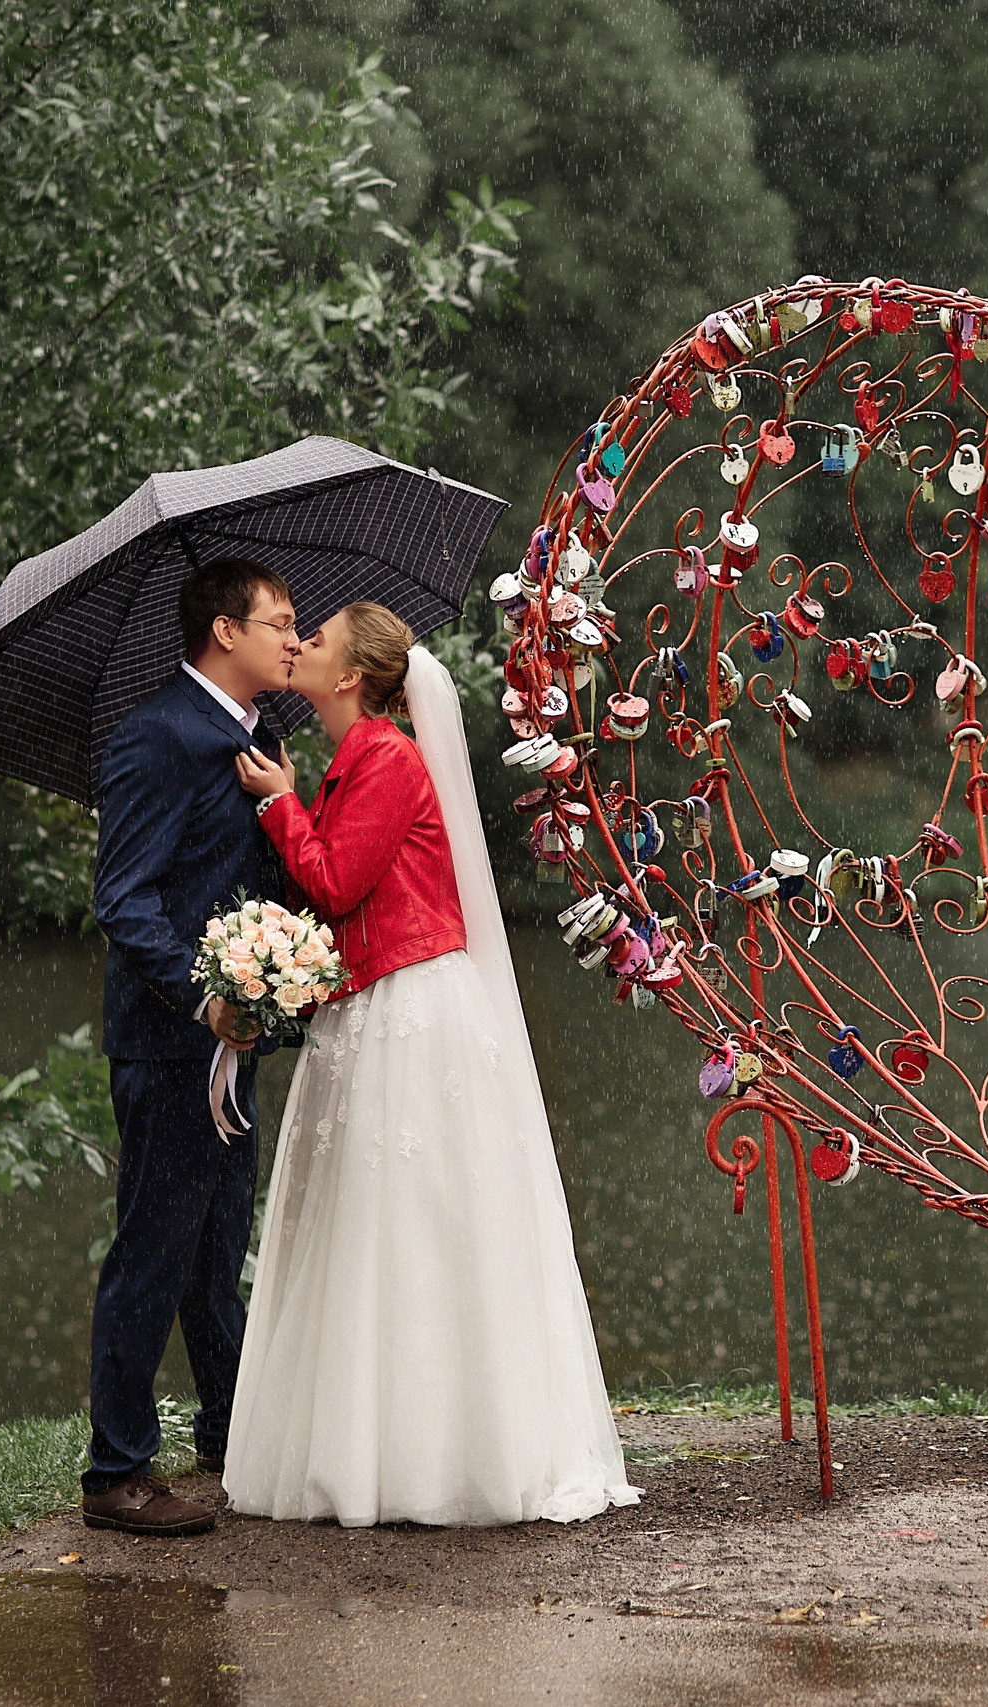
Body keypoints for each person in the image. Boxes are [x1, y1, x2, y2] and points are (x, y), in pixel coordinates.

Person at [223, 602, 640, 1526]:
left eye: (317, 639)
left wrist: (278, 805)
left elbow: (334, 882)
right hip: (370, 1005)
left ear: (349, 678)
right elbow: (328, 884)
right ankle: (371, 1445)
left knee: (415, 1225)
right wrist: (296, 798)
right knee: (374, 1228)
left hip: (412, 1008)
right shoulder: (348, 761)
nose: (301, 645)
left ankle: (442, 1453)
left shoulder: (386, 758)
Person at [81, 556, 300, 1538]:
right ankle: (117, 1474)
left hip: (236, 1041)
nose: (294, 640)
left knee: (216, 1255)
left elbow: (256, 882)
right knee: (151, 1256)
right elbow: (123, 897)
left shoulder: (264, 736)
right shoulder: (155, 736)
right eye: (280, 622)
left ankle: (230, 1435)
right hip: (173, 1045)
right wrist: (200, 1000)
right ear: (225, 632)